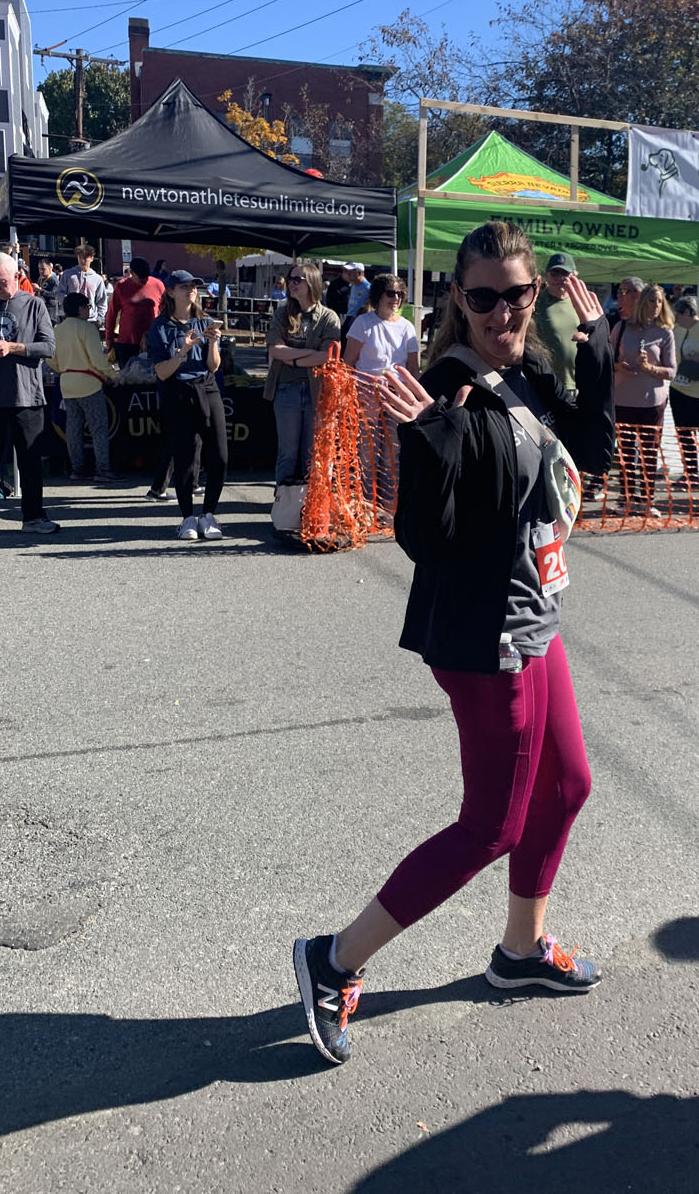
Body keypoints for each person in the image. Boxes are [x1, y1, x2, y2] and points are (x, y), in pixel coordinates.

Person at [292, 220, 614, 1067]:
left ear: (535, 292)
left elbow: (593, 455)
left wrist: (598, 356)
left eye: (517, 294)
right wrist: (431, 441)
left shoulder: (530, 370)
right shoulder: (446, 387)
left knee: (568, 785)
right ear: (459, 300)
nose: (503, 312)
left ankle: (521, 950)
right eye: (484, 297)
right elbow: (424, 540)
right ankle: (333, 958)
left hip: (535, 613)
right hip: (484, 632)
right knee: (491, 825)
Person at [0, 251, 58, 539]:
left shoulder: (34, 304)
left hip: (28, 395)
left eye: (2, 281)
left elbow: (48, 347)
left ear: (16, 276)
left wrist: (13, 347)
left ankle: (33, 516)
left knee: (30, 462)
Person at [147, 270, 227, 541]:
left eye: (194, 286)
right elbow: (161, 372)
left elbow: (213, 366)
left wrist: (213, 343)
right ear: (171, 292)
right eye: (184, 287)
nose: (191, 290)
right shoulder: (160, 326)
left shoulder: (205, 321)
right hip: (177, 392)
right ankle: (188, 518)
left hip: (207, 387)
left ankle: (209, 514)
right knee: (185, 456)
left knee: (220, 455)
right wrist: (182, 351)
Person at [344, 273, 420, 515]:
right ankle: (366, 507)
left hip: (397, 395)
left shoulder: (407, 327)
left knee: (392, 454)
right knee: (367, 453)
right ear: (378, 295)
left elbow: (413, 368)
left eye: (400, 293)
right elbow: (348, 362)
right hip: (366, 392)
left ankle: (389, 510)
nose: (396, 298)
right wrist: (349, 394)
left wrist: (414, 398)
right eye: (390, 293)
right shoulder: (363, 323)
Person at [264, 263, 341, 485]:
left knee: (312, 451)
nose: (292, 284)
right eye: (290, 279)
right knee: (287, 451)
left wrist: (293, 358)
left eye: (298, 280)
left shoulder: (328, 317)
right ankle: (283, 500)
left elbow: (328, 356)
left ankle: (310, 501)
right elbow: (275, 350)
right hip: (286, 389)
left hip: (316, 391)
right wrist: (308, 355)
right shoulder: (282, 313)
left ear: (312, 283)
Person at [610, 282, 675, 514]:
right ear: (642, 303)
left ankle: (647, 501)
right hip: (623, 400)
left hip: (652, 403)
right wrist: (620, 366)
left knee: (649, 453)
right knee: (626, 454)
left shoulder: (665, 333)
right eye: (651, 301)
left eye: (659, 302)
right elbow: (606, 358)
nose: (655, 306)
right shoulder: (622, 327)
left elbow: (672, 371)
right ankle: (627, 499)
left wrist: (650, 368)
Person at [47, 293, 119, 482]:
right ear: (80, 309)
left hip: (67, 383)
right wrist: (112, 375)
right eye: (87, 306)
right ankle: (103, 469)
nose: (89, 309)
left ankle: (77, 469)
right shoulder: (87, 328)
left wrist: (63, 369)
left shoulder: (57, 329)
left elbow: (50, 358)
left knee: (73, 430)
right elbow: (97, 359)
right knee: (98, 429)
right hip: (89, 384)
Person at [669, 295, 699, 493]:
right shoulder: (677, 330)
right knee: (685, 436)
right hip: (679, 390)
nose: (675, 319)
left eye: (678, 315)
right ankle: (690, 474)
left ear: (687, 312)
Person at [533, 252, 581, 392]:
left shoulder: (581, 303)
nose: (560, 278)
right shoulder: (536, 303)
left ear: (574, 276)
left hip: (578, 384)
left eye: (565, 273)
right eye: (555, 273)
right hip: (545, 383)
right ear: (546, 275)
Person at [106, 257, 165, 368]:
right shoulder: (121, 286)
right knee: (127, 375)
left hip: (151, 341)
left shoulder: (158, 285)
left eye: (146, 277)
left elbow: (165, 313)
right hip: (127, 342)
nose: (145, 280)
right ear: (132, 273)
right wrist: (109, 337)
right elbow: (112, 313)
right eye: (141, 278)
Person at [58, 246, 108, 332]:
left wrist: (99, 320)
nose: (82, 260)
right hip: (71, 318)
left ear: (91, 258)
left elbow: (102, 301)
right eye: (80, 257)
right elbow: (59, 294)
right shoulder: (68, 275)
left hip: (91, 320)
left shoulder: (97, 279)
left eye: (85, 257)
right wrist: (68, 304)